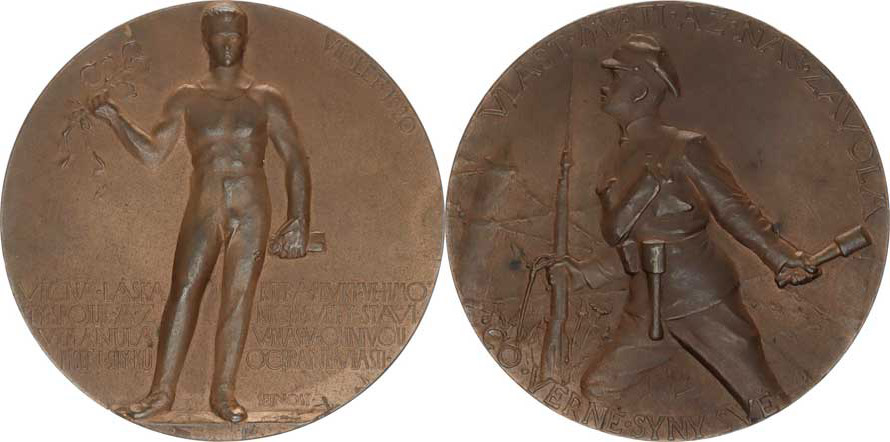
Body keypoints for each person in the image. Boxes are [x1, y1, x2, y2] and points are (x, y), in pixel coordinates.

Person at [554, 33, 820, 422]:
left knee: (765, 404)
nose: (604, 86)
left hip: (701, 299)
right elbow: (634, 240)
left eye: (615, 77)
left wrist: (781, 257)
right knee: (596, 388)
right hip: (648, 307)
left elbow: (733, 208)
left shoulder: (683, 147)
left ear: (640, 90)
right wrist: (585, 274)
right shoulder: (614, 159)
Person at [89, 1, 310, 423]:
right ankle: (160, 393)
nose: (227, 43)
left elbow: (296, 159)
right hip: (204, 203)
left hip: (252, 205)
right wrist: (115, 119)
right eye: (219, 36)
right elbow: (154, 153)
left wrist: (300, 218)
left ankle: (223, 394)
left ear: (245, 39)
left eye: (234, 35)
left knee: (238, 297)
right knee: (185, 290)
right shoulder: (187, 97)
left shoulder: (266, 98)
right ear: (205, 41)